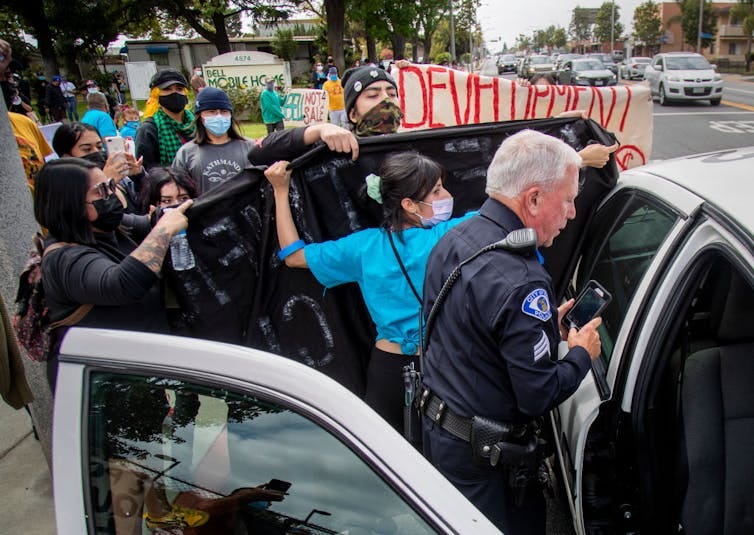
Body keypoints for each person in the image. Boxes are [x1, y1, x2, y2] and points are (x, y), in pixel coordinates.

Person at [420, 129, 602, 534]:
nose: (571, 213)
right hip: (485, 462)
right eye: (568, 199)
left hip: (442, 432)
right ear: (534, 198)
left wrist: (536, 330)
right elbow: (538, 394)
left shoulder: (457, 238)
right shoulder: (521, 280)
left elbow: (465, 330)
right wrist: (580, 355)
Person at [264, 151, 476, 431]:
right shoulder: (454, 235)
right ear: (409, 204)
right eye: (437, 191)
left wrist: (280, 191)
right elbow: (508, 215)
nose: (446, 195)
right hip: (442, 365)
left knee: (384, 454)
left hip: (387, 370)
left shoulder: (362, 248)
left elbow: (293, 255)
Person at [34, 157, 192, 388]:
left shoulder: (110, 227)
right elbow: (123, 284)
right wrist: (163, 231)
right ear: (71, 204)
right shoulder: (64, 260)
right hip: (104, 388)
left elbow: (154, 220)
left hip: (138, 372)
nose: (112, 195)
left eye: (111, 185)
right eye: (101, 191)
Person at [173, 87, 254, 194]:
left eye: (224, 111)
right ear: (200, 116)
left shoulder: (250, 147)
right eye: (212, 112)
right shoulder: (186, 153)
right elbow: (178, 191)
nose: (219, 116)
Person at [52, 122, 145, 211]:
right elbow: (111, 219)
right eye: (87, 149)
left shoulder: (116, 176)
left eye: (100, 147)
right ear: (66, 157)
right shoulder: (69, 194)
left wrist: (138, 176)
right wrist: (104, 185)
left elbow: (147, 202)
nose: (96, 152)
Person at [136, 69, 195, 170]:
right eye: (167, 89)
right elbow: (146, 170)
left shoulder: (196, 123)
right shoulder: (148, 130)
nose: (174, 93)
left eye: (179, 89)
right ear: (157, 95)